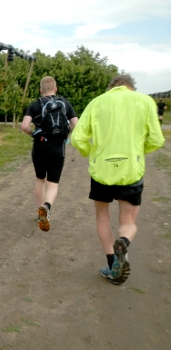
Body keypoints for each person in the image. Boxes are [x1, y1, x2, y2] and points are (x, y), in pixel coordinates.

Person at [71, 74, 164, 285]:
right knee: (128, 222)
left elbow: (77, 138)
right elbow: (157, 139)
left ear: (110, 87)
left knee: (102, 217)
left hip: (102, 171)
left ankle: (113, 264)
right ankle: (123, 241)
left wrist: (89, 152)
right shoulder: (145, 101)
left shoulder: (97, 102)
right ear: (131, 87)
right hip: (131, 171)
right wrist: (138, 151)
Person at [21, 76, 78, 232]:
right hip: (58, 149)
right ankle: (47, 207)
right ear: (55, 89)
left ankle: (40, 210)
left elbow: (24, 126)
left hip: (39, 147)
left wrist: (34, 134)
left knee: (40, 180)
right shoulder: (65, 104)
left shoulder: (35, 105)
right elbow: (75, 125)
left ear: (40, 91)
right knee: (52, 183)